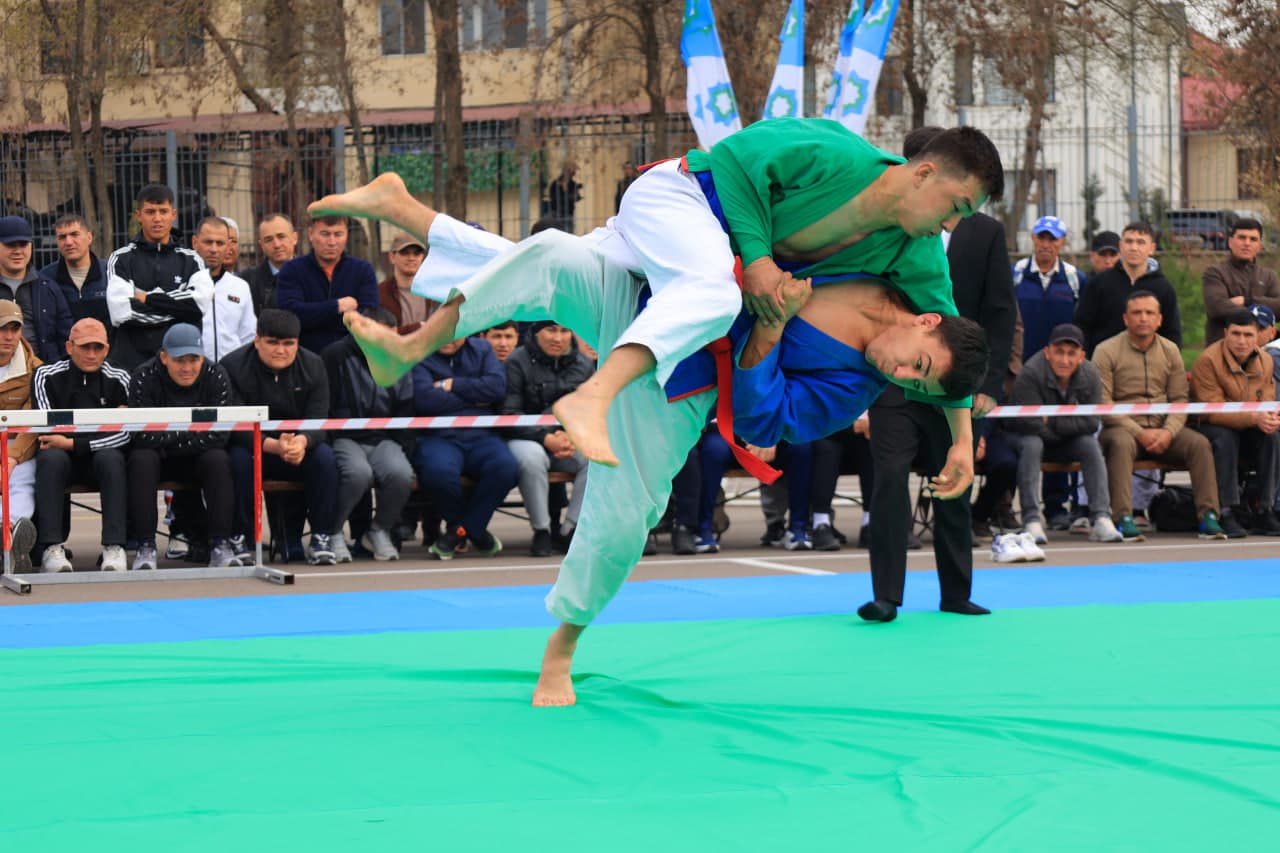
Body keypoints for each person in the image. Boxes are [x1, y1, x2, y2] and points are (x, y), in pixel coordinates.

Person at [313, 201, 987, 709]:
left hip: (684, 381)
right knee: (547, 254)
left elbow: (761, 417)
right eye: (916, 365)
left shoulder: (850, 388)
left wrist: (772, 332)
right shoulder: (888, 256)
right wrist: (958, 434)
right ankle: (411, 306)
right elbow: (942, 314)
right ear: (924, 318)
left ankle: (563, 646)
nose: (904, 378)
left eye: (915, 386)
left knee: (623, 511)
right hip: (648, 297)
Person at [318, 119, 1005, 500]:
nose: (950, 225)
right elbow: (731, 162)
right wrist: (762, 261)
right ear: (923, 173)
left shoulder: (915, 261)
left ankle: (405, 207)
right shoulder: (833, 153)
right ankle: (588, 390)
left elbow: (953, 351)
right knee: (710, 286)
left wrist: (963, 444)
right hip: (684, 208)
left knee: (547, 264)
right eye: (955, 206)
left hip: (668, 264)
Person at [859, 126, 1016, 623]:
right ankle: (887, 595)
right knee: (887, 479)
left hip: (953, 379)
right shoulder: (886, 226)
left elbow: (998, 309)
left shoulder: (985, 231)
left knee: (953, 477)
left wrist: (985, 387)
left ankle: (956, 591)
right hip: (895, 375)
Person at [1093, 291, 1225, 541]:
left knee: (1199, 444)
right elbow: (1104, 402)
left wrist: (1168, 432)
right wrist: (1138, 432)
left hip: (1166, 428)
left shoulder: (1170, 350)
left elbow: (1179, 399)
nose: (1143, 318)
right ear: (1125, 318)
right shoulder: (1105, 351)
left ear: (1159, 319)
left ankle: (1208, 516)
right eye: (1137, 313)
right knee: (1120, 444)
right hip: (1123, 429)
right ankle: (1123, 516)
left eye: (1149, 313)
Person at [222, 309, 340, 565]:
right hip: (255, 446)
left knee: (325, 458)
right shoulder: (231, 366)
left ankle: (322, 535)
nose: (281, 350)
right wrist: (272, 445)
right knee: (236, 460)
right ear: (257, 340)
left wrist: (302, 441)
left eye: (289, 344)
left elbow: (320, 419)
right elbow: (233, 425)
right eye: (272, 343)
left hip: (296, 448)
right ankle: (239, 537)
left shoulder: (314, 365)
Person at [126, 323, 238, 570]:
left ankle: (221, 543)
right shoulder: (144, 375)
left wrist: (169, 437)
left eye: (193, 359)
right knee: (141, 459)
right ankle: (146, 546)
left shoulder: (216, 375)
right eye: (179, 360)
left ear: (203, 357)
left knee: (219, 459)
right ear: (164, 357)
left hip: (196, 456)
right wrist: (190, 434)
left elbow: (220, 435)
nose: (187, 368)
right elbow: (141, 435)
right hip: (159, 458)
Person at [1001, 323, 1123, 544]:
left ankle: (1102, 518)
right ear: (1047, 352)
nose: (1064, 360)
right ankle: (1031, 520)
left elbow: (1091, 422)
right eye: (1059, 352)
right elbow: (1029, 423)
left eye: (1071, 353)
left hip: (1062, 438)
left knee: (1089, 444)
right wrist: (1062, 425)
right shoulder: (1030, 372)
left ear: (1081, 356)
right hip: (1022, 436)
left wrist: (1052, 423)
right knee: (1032, 443)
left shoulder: (1091, 374)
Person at [32, 318, 132, 572]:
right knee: (51, 458)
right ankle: (51, 547)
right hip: (61, 459)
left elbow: (126, 435)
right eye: (85, 347)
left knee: (112, 459)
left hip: (99, 459)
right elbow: (47, 432)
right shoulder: (46, 375)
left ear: (107, 349)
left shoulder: (120, 377)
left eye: (98, 348)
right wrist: (96, 434)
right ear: (69, 347)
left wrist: (72, 442)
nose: (91, 354)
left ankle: (114, 546)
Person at [411, 333, 518, 560]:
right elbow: (425, 399)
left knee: (505, 467)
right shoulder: (419, 352)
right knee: (437, 472)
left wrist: (453, 385)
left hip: (482, 434)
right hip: (438, 435)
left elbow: (496, 388)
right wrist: (475, 397)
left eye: (455, 332)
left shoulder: (482, 350)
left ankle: (457, 532)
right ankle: (474, 531)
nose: (448, 338)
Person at [322, 308, 416, 561]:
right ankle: (332, 533)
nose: (393, 343)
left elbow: (405, 407)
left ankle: (379, 530)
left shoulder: (399, 360)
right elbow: (323, 403)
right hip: (343, 436)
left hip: (383, 437)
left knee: (401, 473)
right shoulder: (335, 355)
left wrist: (404, 447)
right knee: (357, 474)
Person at [502, 321, 594, 557]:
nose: (558, 338)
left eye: (564, 330)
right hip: (526, 437)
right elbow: (510, 414)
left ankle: (570, 529)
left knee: (596, 460)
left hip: (568, 439)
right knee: (531, 460)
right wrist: (546, 437)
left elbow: (591, 411)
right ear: (535, 332)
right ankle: (542, 530)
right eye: (551, 330)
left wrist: (570, 437)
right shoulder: (516, 362)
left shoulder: (584, 365)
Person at [1190, 308, 1280, 537]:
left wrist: (1268, 418)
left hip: (1249, 422)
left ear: (1257, 335)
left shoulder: (1266, 360)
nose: (1242, 341)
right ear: (1225, 333)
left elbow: (1268, 398)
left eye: (1248, 335)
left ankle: (1265, 508)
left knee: (1272, 436)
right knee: (1225, 437)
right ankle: (1227, 509)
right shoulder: (1208, 361)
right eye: (1236, 334)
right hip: (1209, 423)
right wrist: (1254, 417)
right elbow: (1212, 410)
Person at [105, 184, 210, 370]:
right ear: (138, 215)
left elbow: (199, 304)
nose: (157, 218)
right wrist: (178, 311)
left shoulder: (192, 260)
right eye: (150, 212)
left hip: (179, 367)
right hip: (131, 366)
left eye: (163, 211)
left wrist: (148, 299)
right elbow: (120, 313)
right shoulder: (121, 258)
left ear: (173, 214)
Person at [1074, 221, 1181, 357]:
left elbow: (1172, 333)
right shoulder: (1099, 283)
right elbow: (1082, 326)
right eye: (1129, 241)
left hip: (1149, 366)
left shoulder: (1163, 288)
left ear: (1152, 248)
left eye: (1141, 242)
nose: (1134, 248)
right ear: (1121, 246)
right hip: (1104, 364)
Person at [274, 215, 378, 353]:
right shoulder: (292, 270)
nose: (332, 241)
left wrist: (312, 317)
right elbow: (290, 316)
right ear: (311, 234)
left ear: (347, 234)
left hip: (352, 357)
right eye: (325, 234)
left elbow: (369, 318)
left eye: (338, 234)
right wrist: (337, 306)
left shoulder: (363, 270)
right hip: (305, 358)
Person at [0, 301, 41, 572]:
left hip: (19, 446)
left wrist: (13, 458)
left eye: (15, 329)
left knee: (22, 480)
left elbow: (34, 420)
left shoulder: (36, 369)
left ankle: (13, 531)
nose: (9, 336)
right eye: (2, 329)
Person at [1012, 215, 1087, 361]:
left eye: (1052, 239)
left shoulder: (1075, 278)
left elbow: (1083, 323)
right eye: (1041, 238)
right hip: (1021, 362)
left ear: (1063, 241)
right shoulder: (1015, 274)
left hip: (1062, 363)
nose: (1045, 245)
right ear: (1033, 238)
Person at [0, 215, 74, 364]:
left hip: (41, 373)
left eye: (23, 244)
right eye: (10, 245)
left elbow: (66, 337)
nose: (18, 251)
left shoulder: (48, 288)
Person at [1202, 217, 1280, 345]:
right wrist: (1263, 314)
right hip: (1222, 351)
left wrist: (1246, 301)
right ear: (1230, 242)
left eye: (1253, 239)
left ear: (1260, 246)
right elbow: (1217, 308)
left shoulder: (1269, 276)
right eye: (1242, 238)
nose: (1247, 243)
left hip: (1261, 354)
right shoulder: (1215, 273)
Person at [190, 217, 256, 362]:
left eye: (220, 243)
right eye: (208, 242)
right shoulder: (183, 284)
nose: (214, 249)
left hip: (233, 373)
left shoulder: (240, 287)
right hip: (193, 372)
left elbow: (248, 336)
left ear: (227, 246)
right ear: (195, 243)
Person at [38, 213, 111, 327]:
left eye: (74, 234)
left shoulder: (110, 272)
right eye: (62, 237)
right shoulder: (46, 278)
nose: (68, 242)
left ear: (89, 237)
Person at [378, 232, 434, 332]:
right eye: (404, 252)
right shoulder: (380, 293)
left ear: (422, 258)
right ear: (392, 257)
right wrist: (419, 327)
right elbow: (379, 334)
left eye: (416, 253)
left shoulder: (433, 292)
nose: (411, 258)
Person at [243, 213, 298, 313]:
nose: (276, 245)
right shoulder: (247, 281)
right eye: (269, 240)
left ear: (295, 238)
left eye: (281, 236)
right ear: (262, 245)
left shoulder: (314, 276)